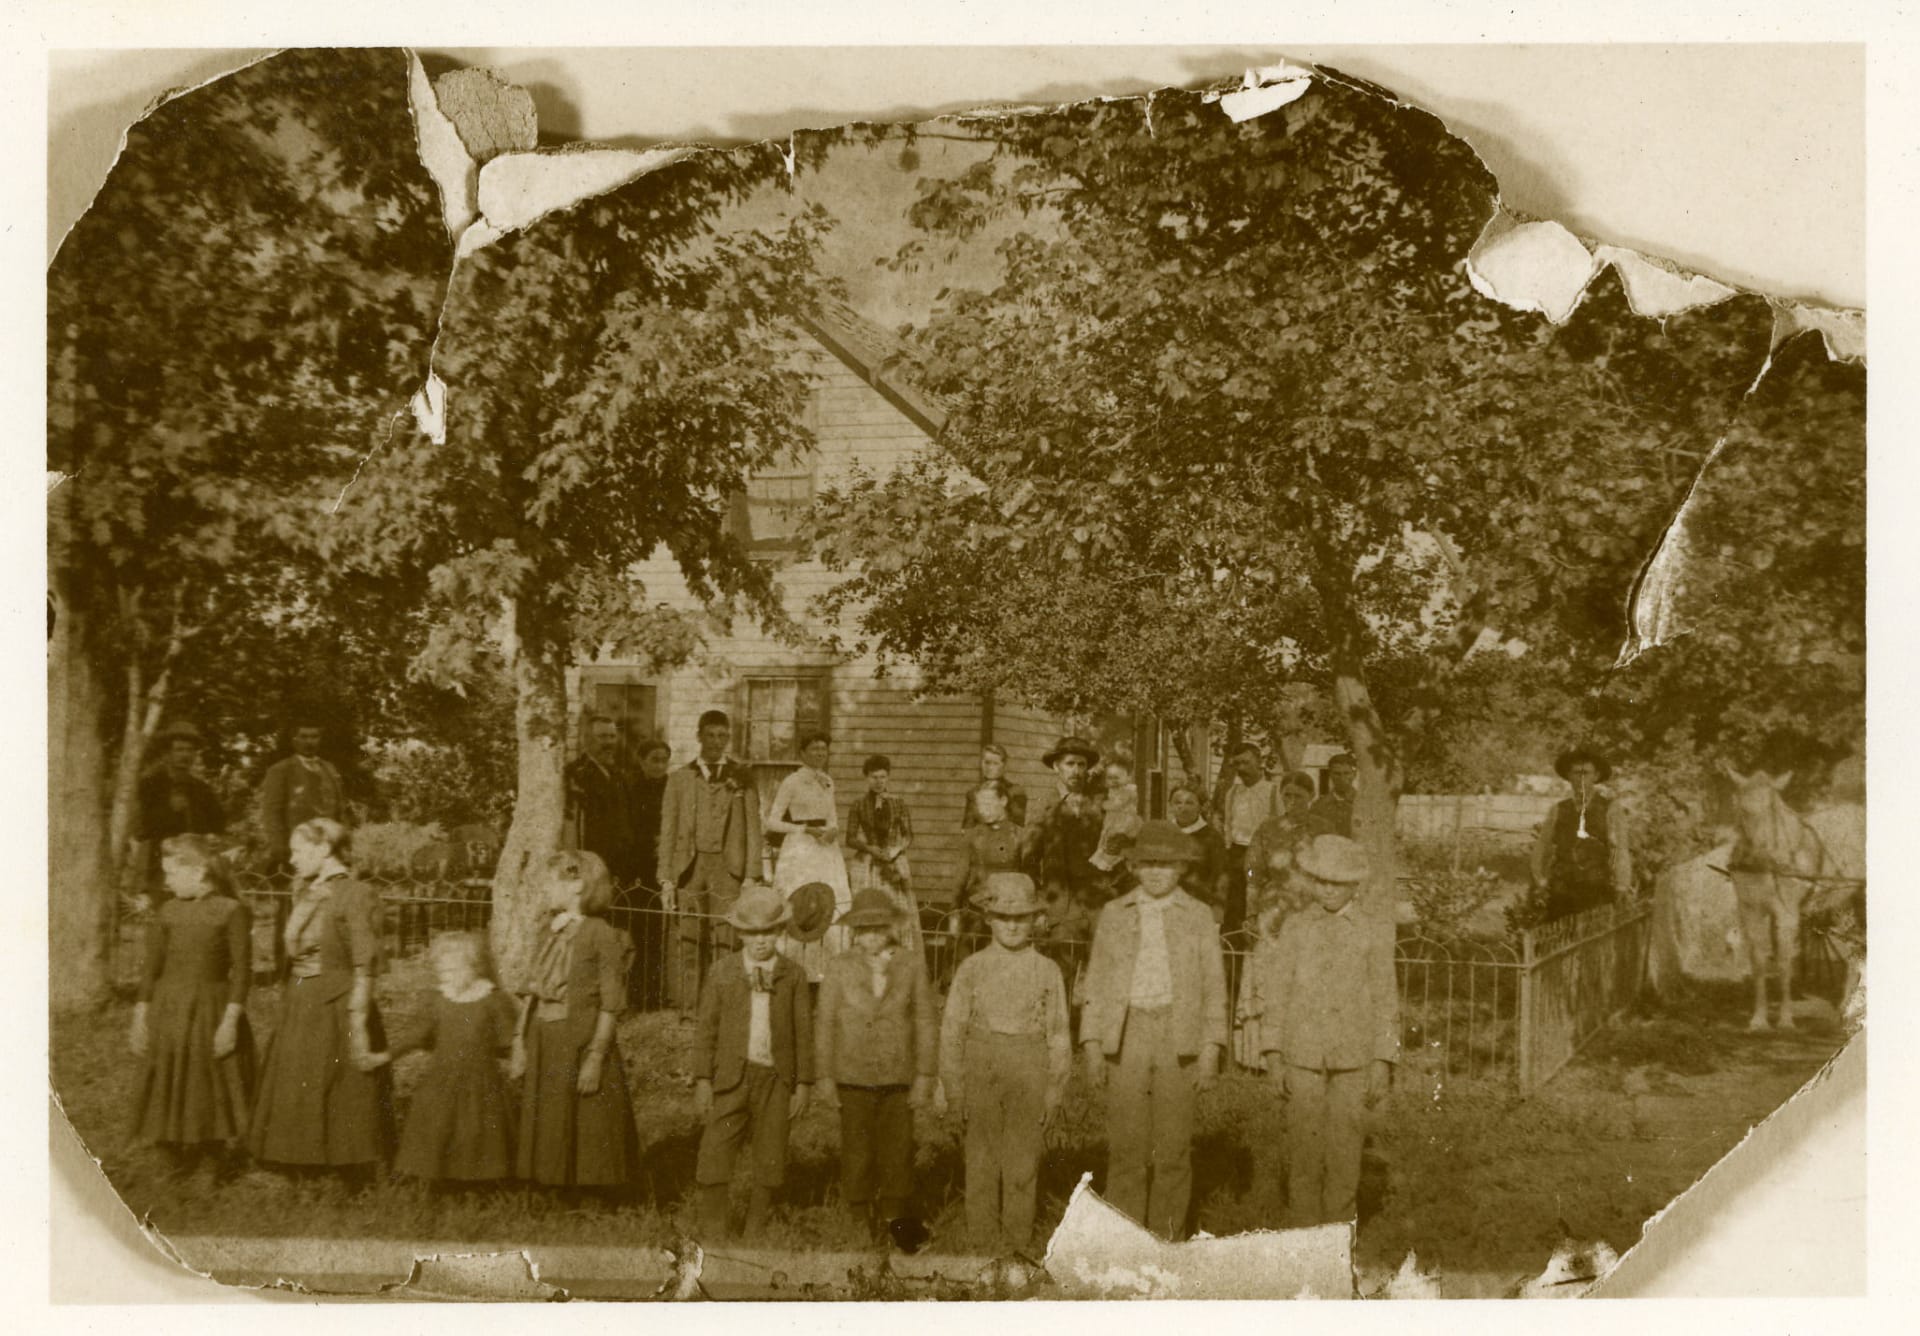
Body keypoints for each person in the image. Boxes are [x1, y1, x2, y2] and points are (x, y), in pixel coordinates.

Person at [1079, 820, 1228, 1241]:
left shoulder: (1198, 916)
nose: (1157, 873)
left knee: (1174, 1148)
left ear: (1182, 868)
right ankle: (1123, 1243)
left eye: (1167, 865)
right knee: (1126, 1145)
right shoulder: (1114, 913)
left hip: (1177, 1035)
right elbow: (1097, 982)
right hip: (1127, 1035)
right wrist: (1092, 1045)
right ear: (1134, 866)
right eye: (1148, 864)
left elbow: (1214, 984)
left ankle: (1165, 1241)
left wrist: (1211, 1047)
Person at [1243, 834, 1398, 1227]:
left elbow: (1386, 998)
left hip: (1354, 1058)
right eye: (1321, 881)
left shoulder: (1372, 929)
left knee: (1345, 1150)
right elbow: (1277, 992)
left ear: (1354, 884)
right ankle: (1304, 1238)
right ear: (1311, 881)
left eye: (1338, 882)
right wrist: (1273, 1055)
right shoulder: (1296, 927)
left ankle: (1336, 1237)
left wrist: (1382, 1059)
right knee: (1303, 1149)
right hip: (1302, 1055)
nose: (1328, 890)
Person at [248, 818, 392, 1174]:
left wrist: (358, 1017)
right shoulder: (304, 890)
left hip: (339, 1001)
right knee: (297, 1076)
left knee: (339, 1084)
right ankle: (295, 1162)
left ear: (324, 849)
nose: (293, 860)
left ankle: (344, 1166)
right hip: (301, 997)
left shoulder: (357, 893)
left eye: (299, 851)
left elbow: (365, 961)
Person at [939, 872, 1071, 1257]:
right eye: (1003, 918)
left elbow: (1059, 1034)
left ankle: (1017, 1244)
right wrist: (953, 1085)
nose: (1012, 926)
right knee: (980, 1155)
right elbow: (952, 1029)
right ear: (988, 919)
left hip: (1030, 1064)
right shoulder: (972, 969)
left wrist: (1054, 1090)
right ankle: (981, 1242)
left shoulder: (1047, 971)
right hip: (981, 1063)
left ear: (1034, 921)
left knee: (1022, 1158)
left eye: (1021, 918)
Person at [813, 888, 938, 1240]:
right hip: (852, 1076)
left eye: (878, 928)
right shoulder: (839, 967)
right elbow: (824, 1022)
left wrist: (925, 1074)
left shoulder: (911, 964)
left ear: (891, 928)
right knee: (857, 1151)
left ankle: (893, 1220)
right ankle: (857, 1222)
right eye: (863, 929)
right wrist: (823, 1075)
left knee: (897, 1152)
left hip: (898, 1077)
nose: (871, 936)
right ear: (853, 931)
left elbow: (926, 1020)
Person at [692, 882, 815, 1240]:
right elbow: (706, 1030)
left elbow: (804, 1032)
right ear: (740, 934)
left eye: (769, 932)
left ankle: (756, 1228)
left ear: (780, 932)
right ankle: (714, 1228)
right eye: (752, 934)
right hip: (732, 1075)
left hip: (776, 1078)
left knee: (771, 1152)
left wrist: (803, 1083)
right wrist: (702, 1079)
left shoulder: (793, 975)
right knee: (716, 1147)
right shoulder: (722, 972)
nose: (761, 941)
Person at [514, 850, 637, 1193]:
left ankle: (590, 1195)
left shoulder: (601, 935)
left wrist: (596, 1056)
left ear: (577, 886)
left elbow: (611, 1004)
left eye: (551, 883)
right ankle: (548, 1189)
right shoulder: (548, 930)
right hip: (544, 1036)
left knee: (587, 1120)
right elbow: (531, 992)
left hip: (580, 1040)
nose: (544, 890)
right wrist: (519, 1041)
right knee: (549, 1115)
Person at [129, 835, 254, 1169]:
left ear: (198, 872)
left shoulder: (231, 911)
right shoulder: (168, 911)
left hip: (210, 1008)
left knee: (205, 1077)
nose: (166, 882)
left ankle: (210, 1153)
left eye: (171, 873)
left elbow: (242, 973)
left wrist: (229, 1022)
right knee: (169, 1074)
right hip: (169, 1008)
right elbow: (151, 969)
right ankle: (170, 1150)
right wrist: (140, 1016)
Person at [391, 932, 519, 1185]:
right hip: (441, 1078)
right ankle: (438, 1183)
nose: (444, 975)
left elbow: (509, 1041)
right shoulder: (438, 999)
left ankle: (481, 1185)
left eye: (451, 969)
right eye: (441, 969)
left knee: (479, 1130)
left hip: (481, 1080)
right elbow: (418, 1035)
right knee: (439, 1126)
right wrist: (386, 1055)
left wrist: (520, 1056)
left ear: (473, 967)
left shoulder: (493, 1000)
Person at [659, 710, 764, 1011]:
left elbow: (753, 829)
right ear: (699, 736)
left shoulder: (742, 777)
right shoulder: (680, 778)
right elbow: (668, 831)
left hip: (728, 869)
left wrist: (751, 875)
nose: (717, 742)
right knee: (689, 936)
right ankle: (688, 1007)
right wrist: (667, 878)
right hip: (689, 867)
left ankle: (724, 1007)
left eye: (723, 736)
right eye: (711, 735)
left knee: (726, 937)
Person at [765, 732, 854, 982]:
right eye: (814, 749)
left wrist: (833, 830)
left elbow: (833, 816)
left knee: (828, 905)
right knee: (801, 904)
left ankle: (823, 972)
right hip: (800, 849)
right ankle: (792, 970)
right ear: (802, 753)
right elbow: (772, 822)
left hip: (825, 849)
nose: (819, 754)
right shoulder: (792, 782)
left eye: (823, 750)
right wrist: (804, 829)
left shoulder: (827, 780)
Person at [1021, 735, 1108, 958]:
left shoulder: (1101, 805)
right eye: (1070, 764)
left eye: (1082, 765)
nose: (1076, 771)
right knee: (1061, 973)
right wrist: (1040, 907)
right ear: (1056, 767)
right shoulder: (1043, 807)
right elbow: (1028, 862)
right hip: (1060, 907)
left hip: (1097, 906)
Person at [1531, 745, 1633, 921]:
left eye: (1586, 773)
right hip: (1562, 891)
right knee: (1560, 940)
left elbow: (1620, 851)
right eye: (1576, 773)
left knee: (1593, 941)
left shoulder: (1610, 809)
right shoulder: (1558, 810)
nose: (1580, 779)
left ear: (1596, 776)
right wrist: (1540, 880)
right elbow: (1542, 847)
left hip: (1596, 890)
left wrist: (1622, 885)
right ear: (1569, 777)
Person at [131, 722, 224, 900]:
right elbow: (139, 828)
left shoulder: (201, 789)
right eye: (179, 750)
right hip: (159, 865)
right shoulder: (149, 785)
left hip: (196, 866)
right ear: (167, 753)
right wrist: (168, 811)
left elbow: (218, 824)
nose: (185, 755)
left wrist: (213, 837)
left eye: (190, 750)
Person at [845, 753, 921, 957]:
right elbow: (850, 838)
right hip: (868, 863)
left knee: (897, 908)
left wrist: (895, 850)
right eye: (873, 777)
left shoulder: (898, 803)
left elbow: (908, 835)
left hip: (893, 860)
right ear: (866, 778)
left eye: (883, 777)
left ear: (888, 778)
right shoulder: (858, 804)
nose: (878, 782)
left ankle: (897, 955)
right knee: (870, 907)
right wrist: (869, 848)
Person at [257, 717, 346, 874]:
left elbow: (339, 809)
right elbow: (271, 812)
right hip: (299, 849)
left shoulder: (329, 768)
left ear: (320, 739)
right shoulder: (281, 770)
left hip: (329, 849)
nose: (309, 742)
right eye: (303, 736)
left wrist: (343, 840)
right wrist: (281, 850)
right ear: (294, 740)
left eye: (314, 737)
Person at [1245, 771, 1326, 941]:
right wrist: (1251, 913)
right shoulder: (1267, 829)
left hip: (1313, 908)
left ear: (1312, 795)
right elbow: (1252, 873)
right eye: (1287, 795)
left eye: (1299, 796)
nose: (1292, 801)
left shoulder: (1323, 828)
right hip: (1273, 908)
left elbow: (1334, 870)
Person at [564, 714, 638, 887]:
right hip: (591, 866)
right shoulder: (577, 774)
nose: (609, 742)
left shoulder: (618, 775)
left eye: (612, 737)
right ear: (586, 740)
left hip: (619, 867)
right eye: (602, 737)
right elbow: (572, 826)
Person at [626, 738, 673, 1009]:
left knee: (660, 932)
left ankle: (656, 994)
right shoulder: (632, 788)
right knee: (639, 930)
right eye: (654, 760)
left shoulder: (671, 787)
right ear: (642, 761)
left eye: (664, 760)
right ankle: (637, 995)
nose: (659, 765)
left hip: (664, 867)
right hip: (639, 866)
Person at [1217, 743, 1281, 940]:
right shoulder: (1233, 793)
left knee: (1261, 906)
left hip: (1263, 858)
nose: (1241, 768)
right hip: (1238, 855)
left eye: (1246, 762)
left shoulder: (1273, 791)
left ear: (1259, 762)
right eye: (1237, 764)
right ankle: (1232, 962)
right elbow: (1228, 825)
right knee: (1235, 907)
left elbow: (1281, 827)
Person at [956, 780, 1024, 912]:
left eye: (987, 804)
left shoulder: (1019, 835)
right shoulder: (972, 836)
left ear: (1003, 801)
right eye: (980, 805)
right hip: (976, 907)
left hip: (1009, 907)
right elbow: (960, 876)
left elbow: (1028, 875)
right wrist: (954, 912)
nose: (982, 811)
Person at [1167, 782, 1229, 920]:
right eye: (1177, 802)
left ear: (1201, 807)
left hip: (1198, 908)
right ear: (1170, 805)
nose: (1182, 807)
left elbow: (1220, 878)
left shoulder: (1212, 838)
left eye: (1189, 803)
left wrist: (1217, 912)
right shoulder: (1162, 833)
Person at [962, 743, 1028, 828]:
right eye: (987, 763)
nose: (990, 768)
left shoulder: (1015, 792)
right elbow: (968, 827)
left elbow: (1017, 826)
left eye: (995, 763)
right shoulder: (973, 793)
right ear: (981, 763)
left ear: (1004, 766)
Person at [1310, 752, 1358, 840]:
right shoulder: (1318, 806)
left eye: (1346, 773)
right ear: (1330, 775)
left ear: (1354, 775)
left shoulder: (1364, 804)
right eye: (1337, 774)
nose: (1342, 778)